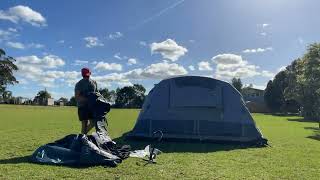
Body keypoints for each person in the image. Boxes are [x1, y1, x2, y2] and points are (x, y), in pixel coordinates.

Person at [75, 67, 98, 134]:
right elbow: (77, 97)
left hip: (92, 106)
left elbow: (97, 93)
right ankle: (82, 137)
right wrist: (88, 99)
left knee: (93, 122)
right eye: (85, 74)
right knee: (84, 124)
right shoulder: (79, 84)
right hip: (82, 106)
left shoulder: (94, 82)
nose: (86, 76)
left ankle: (82, 136)